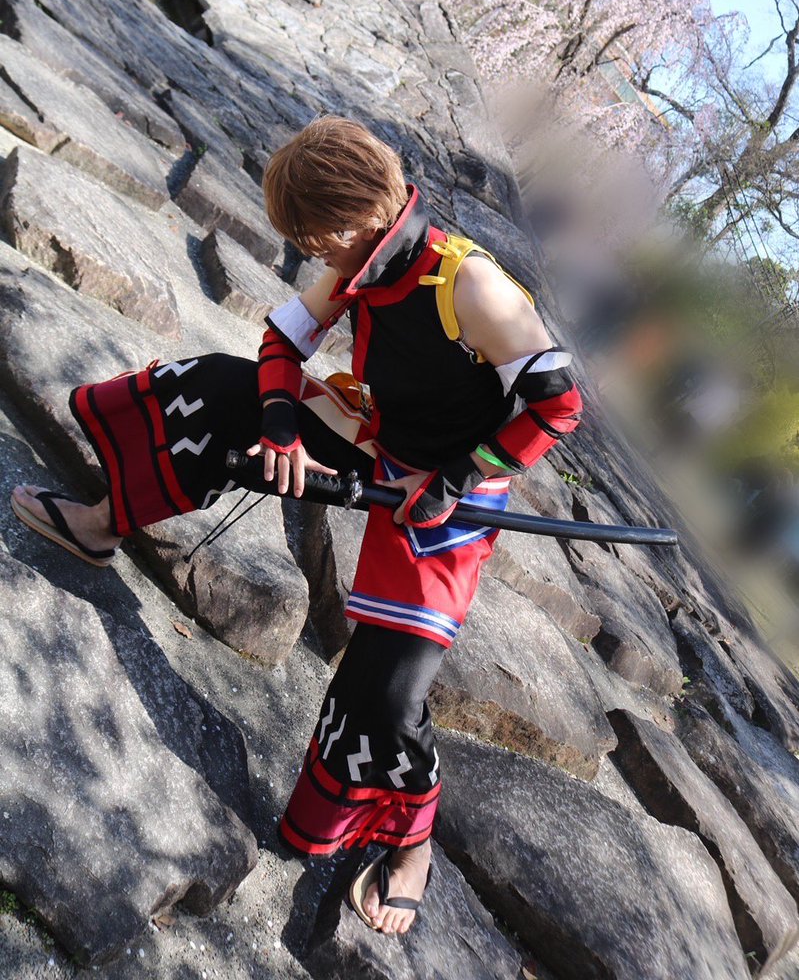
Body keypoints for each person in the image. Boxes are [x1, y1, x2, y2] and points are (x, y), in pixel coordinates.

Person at [11, 115, 583, 935]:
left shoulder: (468, 285)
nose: (311, 253)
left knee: (388, 692)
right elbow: (282, 339)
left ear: (361, 218)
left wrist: (453, 480)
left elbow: (557, 405)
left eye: (317, 239)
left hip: (452, 495)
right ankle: (103, 523)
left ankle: (410, 837)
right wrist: (281, 427)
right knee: (222, 387)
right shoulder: (364, 264)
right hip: (375, 438)